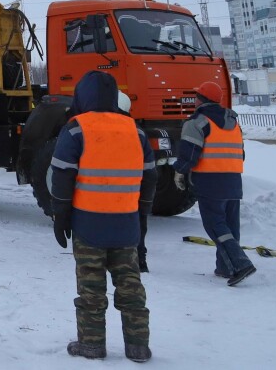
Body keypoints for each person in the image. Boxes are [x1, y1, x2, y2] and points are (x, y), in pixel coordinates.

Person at [48, 70, 156, 362]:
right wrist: (142, 214)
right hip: (126, 225)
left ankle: (92, 345)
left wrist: (61, 216)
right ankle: (138, 347)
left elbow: (62, 177)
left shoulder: (75, 129)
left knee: (91, 290)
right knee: (131, 286)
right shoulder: (136, 131)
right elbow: (150, 178)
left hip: (88, 226)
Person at [173, 80, 254, 286]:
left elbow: (190, 154)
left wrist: (179, 172)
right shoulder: (233, 122)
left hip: (210, 181)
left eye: (197, 96)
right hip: (234, 180)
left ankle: (240, 263)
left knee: (215, 225)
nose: (195, 99)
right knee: (229, 225)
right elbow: (241, 153)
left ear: (202, 99)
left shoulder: (197, 122)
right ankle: (225, 267)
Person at [116, 89, 151, 274]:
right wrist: (147, 199)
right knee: (138, 224)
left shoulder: (101, 129)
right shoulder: (139, 132)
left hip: (113, 194)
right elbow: (150, 171)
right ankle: (140, 260)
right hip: (135, 190)